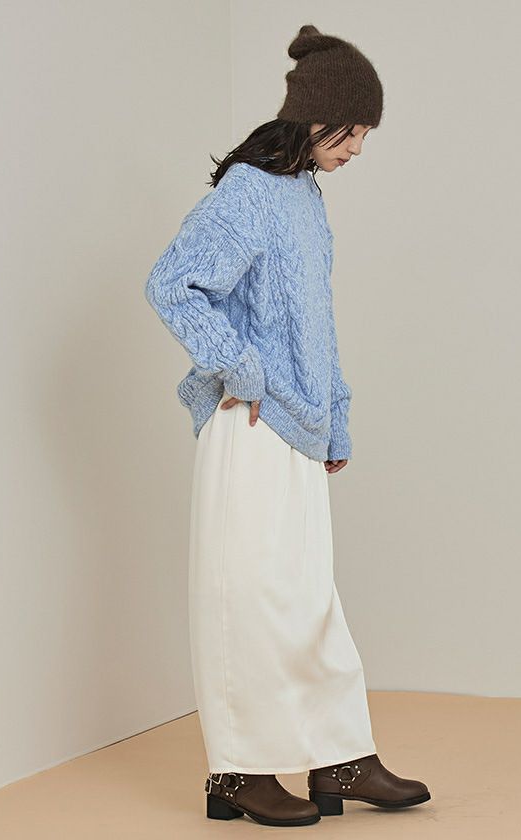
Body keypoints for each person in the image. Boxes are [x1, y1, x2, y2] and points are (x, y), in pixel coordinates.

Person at [144, 23, 430, 828]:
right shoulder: (247, 193)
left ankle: (339, 755)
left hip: (297, 428)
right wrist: (240, 368)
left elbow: (313, 323)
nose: (360, 149)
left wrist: (335, 419)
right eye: (356, 131)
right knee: (248, 598)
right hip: (250, 425)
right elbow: (171, 284)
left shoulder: (303, 196)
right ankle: (237, 772)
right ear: (317, 117)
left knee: (307, 600)